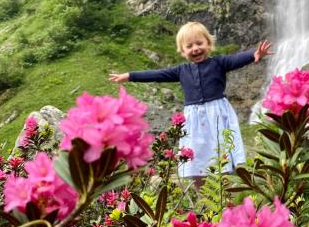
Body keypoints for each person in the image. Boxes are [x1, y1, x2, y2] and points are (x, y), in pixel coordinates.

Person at [109, 21, 273, 180]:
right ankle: (202, 196)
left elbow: (236, 59)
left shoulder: (219, 63)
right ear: (182, 51)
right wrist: (130, 76)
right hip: (194, 119)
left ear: (208, 44)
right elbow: (156, 74)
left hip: (217, 114)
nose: (195, 48)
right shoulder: (181, 70)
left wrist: (254, 55)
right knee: (196, 157)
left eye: (199, 43)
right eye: (189, 46)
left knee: (221, 151)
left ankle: (223, 193)